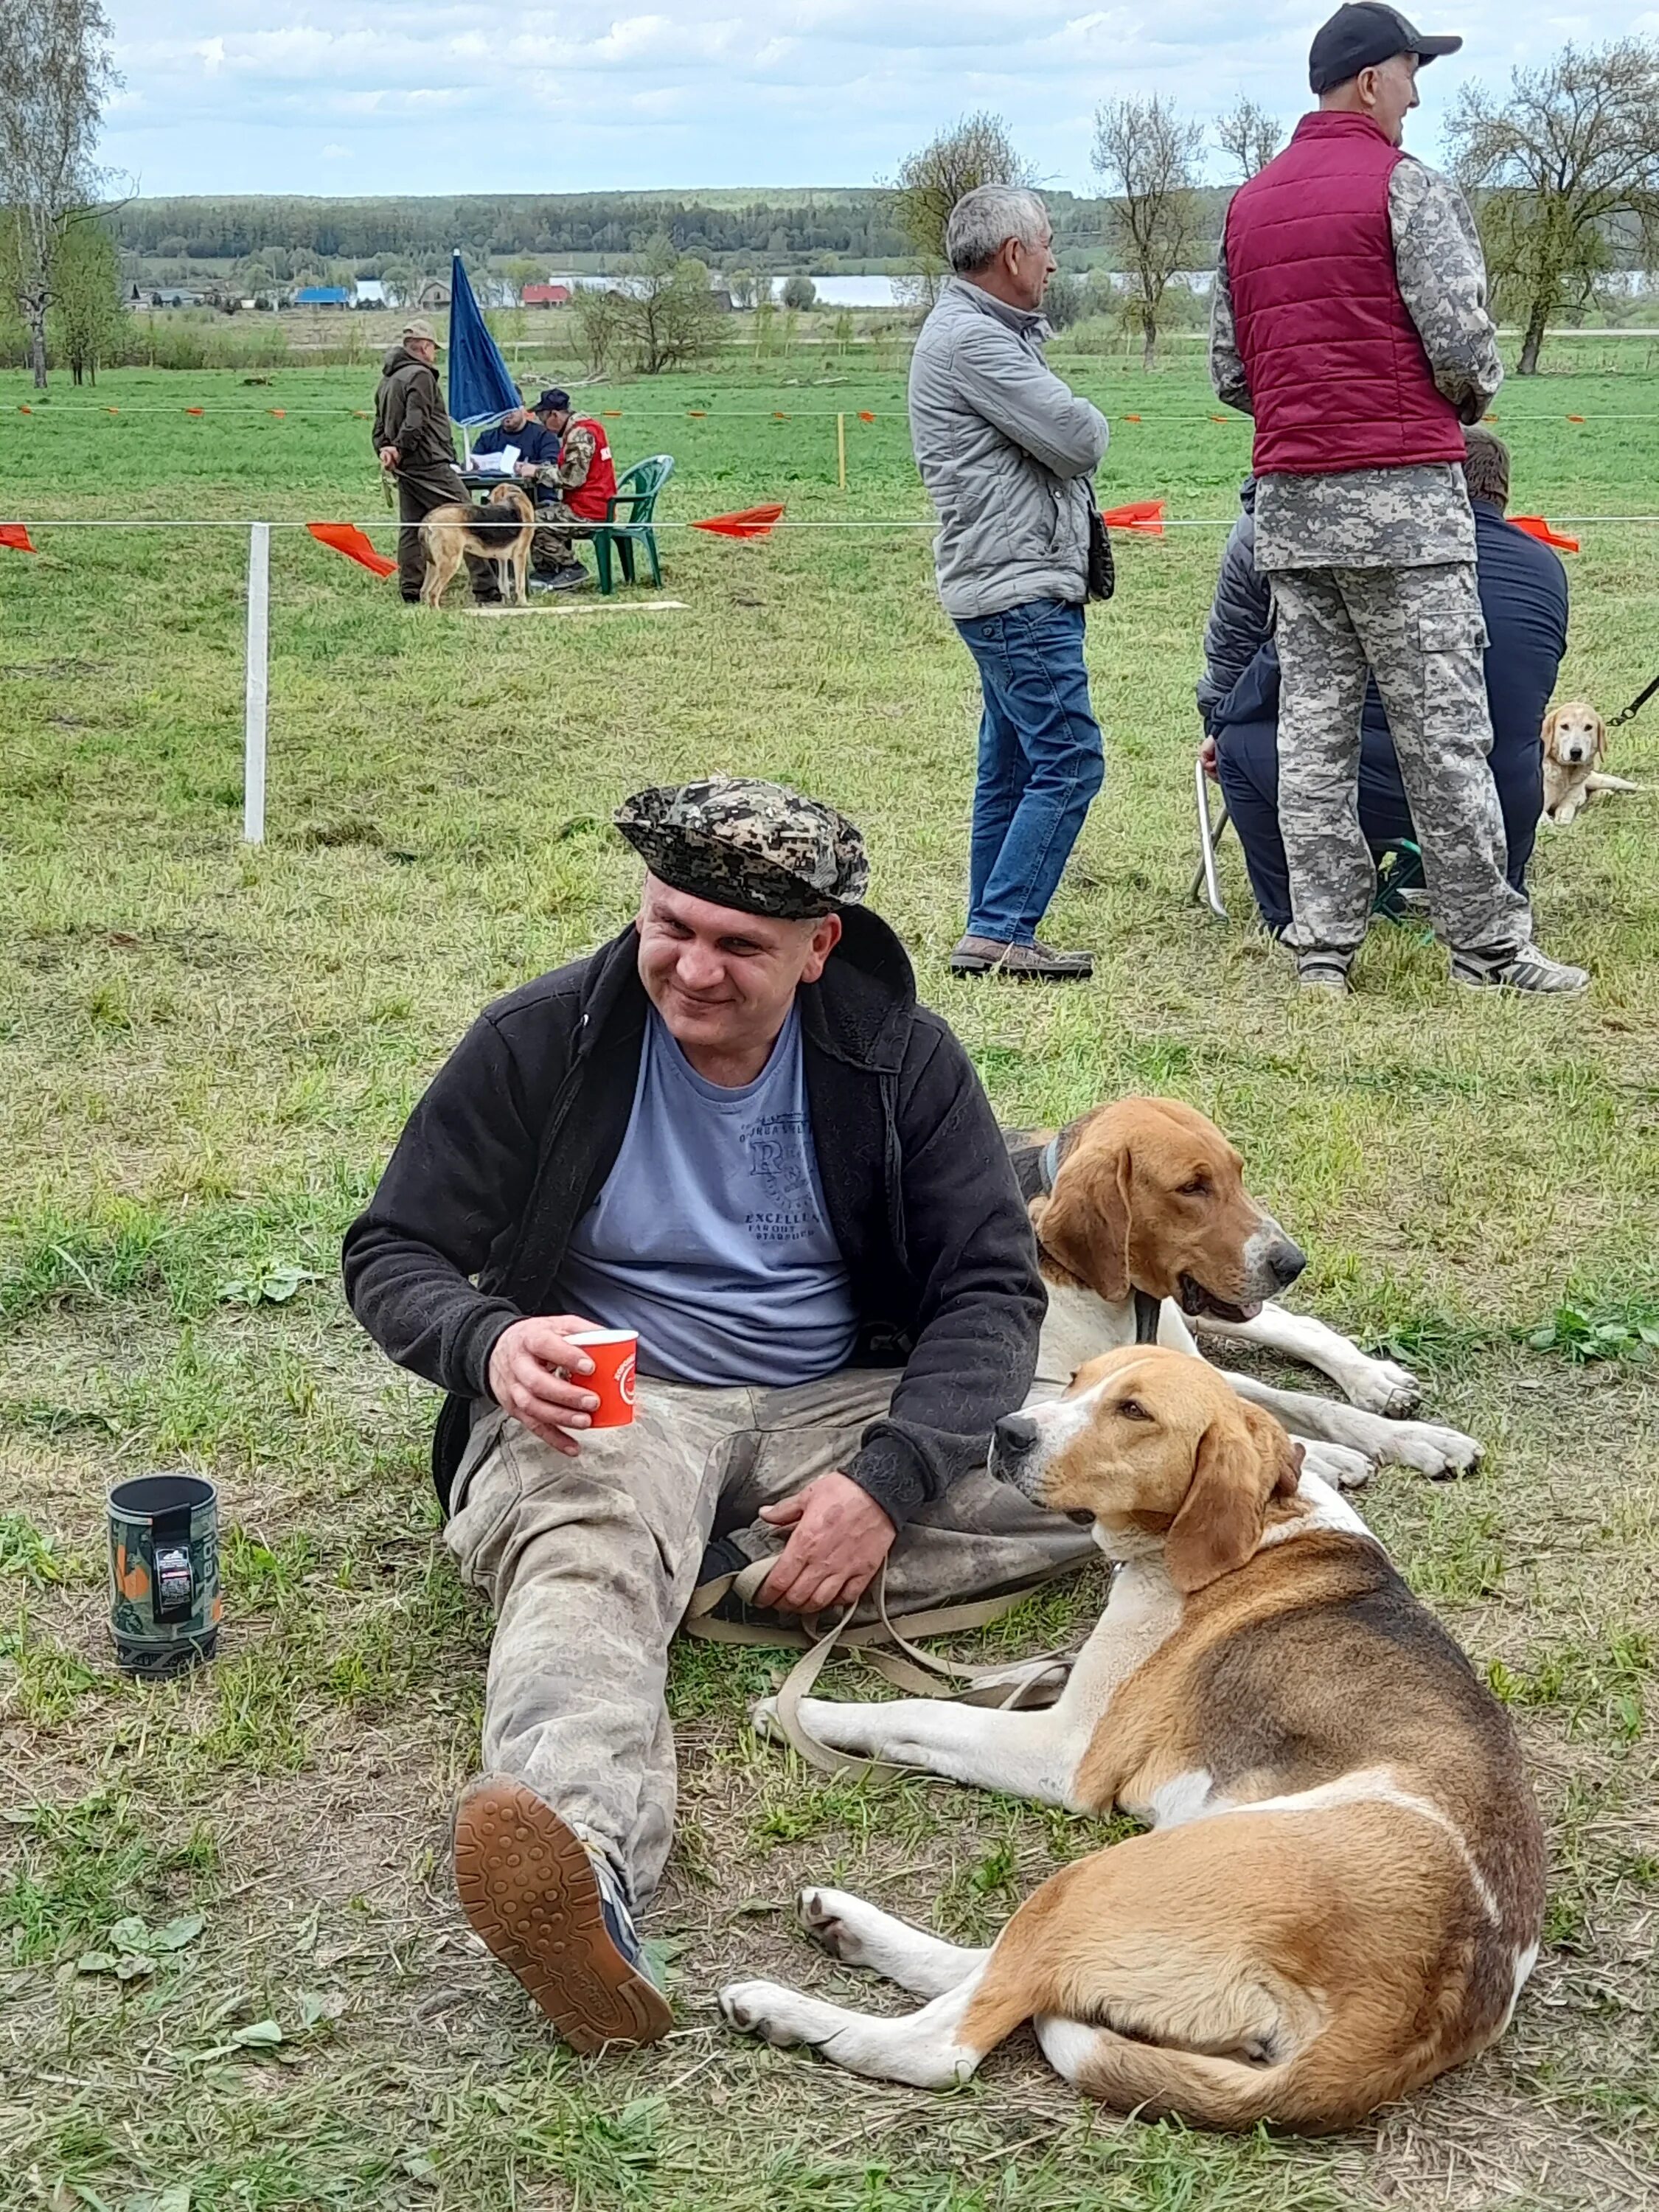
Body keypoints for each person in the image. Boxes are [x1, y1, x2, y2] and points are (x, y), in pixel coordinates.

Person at [341, 777, 1091, 2053]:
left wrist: (889, 1479)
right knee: (584, 1539)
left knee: (1087, 1471)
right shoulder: (540, 1040)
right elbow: (392, 1250)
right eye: (667, 926)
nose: (691, 969)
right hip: (625, 1399)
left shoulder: (902, 1057)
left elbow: (987, 1287)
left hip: (839, 1402)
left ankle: (719, 1569)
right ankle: (582, 1880)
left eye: (739, 945)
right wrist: (491, 1339)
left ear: (818, 949)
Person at [1210, 4, 1585, 996]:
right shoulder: (1408, 189)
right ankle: (1487, 947)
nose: (1417, 94)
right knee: (1444, 739)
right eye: (1411, 73)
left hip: (1289, 514)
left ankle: (1321, 947)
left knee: (1314, 739)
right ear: (1371, 78)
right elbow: (1461, 343)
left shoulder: (1247, 206)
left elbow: (1229, 370)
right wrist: (1455, 403)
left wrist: (1307, 413)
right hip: (1406, 515)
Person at [1201, 431, 1568, 936]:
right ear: (1503, 493)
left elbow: (1284, 659)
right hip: (1508, 803)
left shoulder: (1392, 560)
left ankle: (1290, 914)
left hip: (1400, 794)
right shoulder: (1547, 567)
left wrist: (1220, 718)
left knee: (1236, 747)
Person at [908, 184, 1110, 981]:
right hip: (1015, 585)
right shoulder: (975, 342)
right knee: (1070, 758)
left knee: (1016, 763)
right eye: (1048, 244)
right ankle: (1003, 929)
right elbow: (1079, 437)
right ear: (1013, 255)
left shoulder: (977, 331)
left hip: (1000, 579)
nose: (1056, 260)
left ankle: (988, 929)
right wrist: (1081, 416)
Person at [371, 317, 500, 607]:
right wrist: (400, 449)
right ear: (424, 347)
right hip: (430, 462)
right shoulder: (421, 376)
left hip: (407, 466)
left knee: (411, 526)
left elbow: (379, 426)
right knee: (468, 518)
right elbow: (416, 422)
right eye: (433, 348)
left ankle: (410, 588)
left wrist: (387, 450)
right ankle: (487, 590)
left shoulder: (387, 380)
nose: (435, 354)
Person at [512, 389, 619, 592]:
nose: (544, 426)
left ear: (555, 415)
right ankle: (548, 570)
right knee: (538, 509)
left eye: (544, 419)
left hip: (589, 511)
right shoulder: (588, 427)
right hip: (594, 504)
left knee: (531, 520)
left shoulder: (580, 435)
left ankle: (571, 567)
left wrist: (537, 472)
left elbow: (572, 479)